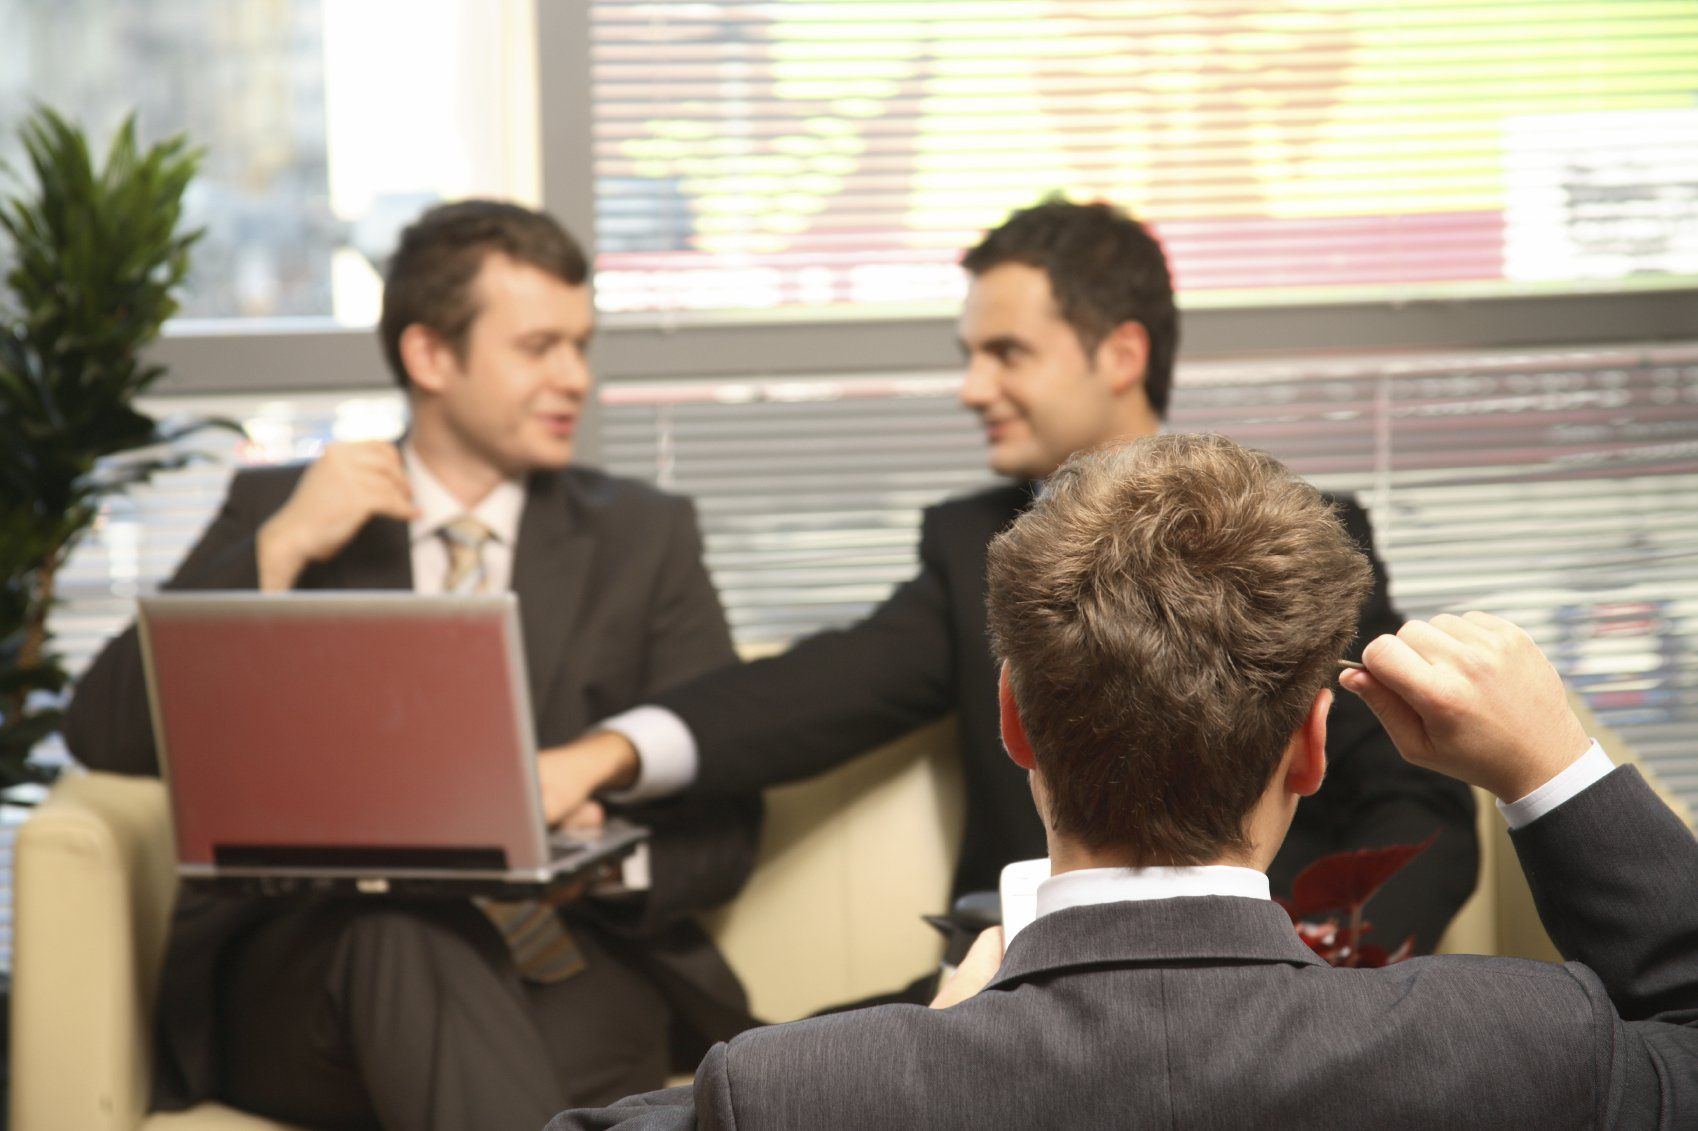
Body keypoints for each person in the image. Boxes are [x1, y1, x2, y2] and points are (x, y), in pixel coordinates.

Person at [550, 433, 1698, 1130]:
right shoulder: (1522, 1049)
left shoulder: (793, 1095)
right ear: (1311, 745)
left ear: (1016, 723)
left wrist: (927, 1049)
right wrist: (1559, 767)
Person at [549, 199, 1477, 963]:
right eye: (970, 355)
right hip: (1018, 989)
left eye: (1006, 353)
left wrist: (1329, 971)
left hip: (1267, 985)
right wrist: (603, 755)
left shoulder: (1303, 541)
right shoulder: (971, 550)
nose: (971, 386)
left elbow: (1418, 805)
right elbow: (808, 692)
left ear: (1120, 354)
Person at [64, 200, 762, 1131]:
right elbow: (103, 729)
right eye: (539, 346)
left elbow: (726, 817)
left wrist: (600, 862)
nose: (576, 378)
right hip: (313, 971)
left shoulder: (642, 537)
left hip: (564, 958)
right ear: (432, 355)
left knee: (513, 1040)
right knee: (409, 935)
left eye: (581, 345)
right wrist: (278, 549)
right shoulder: (281, 510)